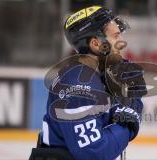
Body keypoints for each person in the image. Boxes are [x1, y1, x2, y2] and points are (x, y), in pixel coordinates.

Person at [29, 5, 147, 160]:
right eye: (116, 36)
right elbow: (93, 153)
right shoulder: (78, 87)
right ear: (96, 44)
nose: (121, 42)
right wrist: (128, 124)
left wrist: (130, 100)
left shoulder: (99, 76)